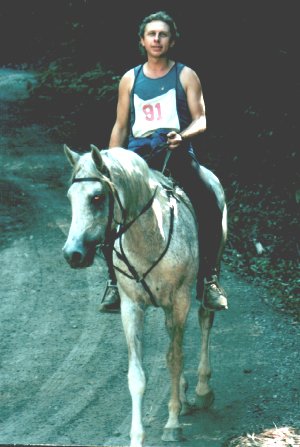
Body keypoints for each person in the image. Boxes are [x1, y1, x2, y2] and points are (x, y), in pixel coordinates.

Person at [99, 10, 228, 313]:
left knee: (208, 200)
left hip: (176, 152)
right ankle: (114, 283)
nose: (157, 39)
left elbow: (202, 118)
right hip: (137, 159)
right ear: (142, 41)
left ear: (172, 40)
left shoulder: (185, 74)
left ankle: (209, 279)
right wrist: (110, 162)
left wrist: (183, 136)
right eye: (151, 34)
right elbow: (120, 125)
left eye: (163, 34)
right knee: (107, 205)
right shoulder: (130, 78)